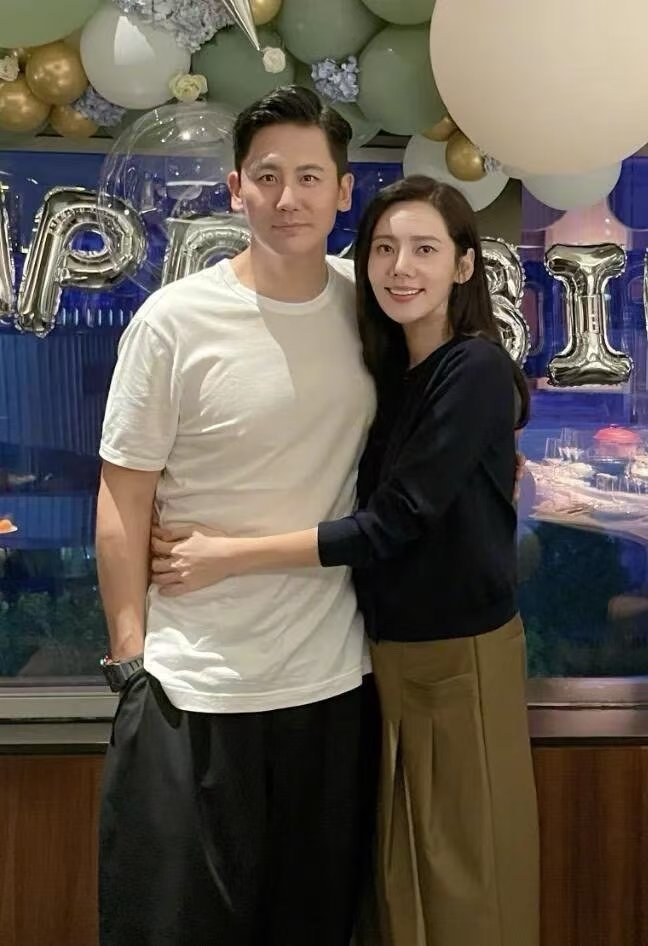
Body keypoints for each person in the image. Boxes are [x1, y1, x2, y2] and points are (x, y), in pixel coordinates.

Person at [151, 175, 541, 946]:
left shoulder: (473, 369)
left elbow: (394, 523)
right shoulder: (393, 373)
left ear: (464, 264)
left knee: (467, 887)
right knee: (399, 891)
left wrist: (230, 555)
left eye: (425, 249)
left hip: (458, 660)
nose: (401, 267)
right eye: (384, 249)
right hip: (386, 661)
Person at [95, 85, 380, 946]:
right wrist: (131, 660)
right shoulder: (174, 322)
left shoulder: (372, 309)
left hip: (331, 685)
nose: (288, 197)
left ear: (343, 191)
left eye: (309, 176)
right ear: (235, 190)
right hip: (190, 686)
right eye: (267, 176)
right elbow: (123, 493)